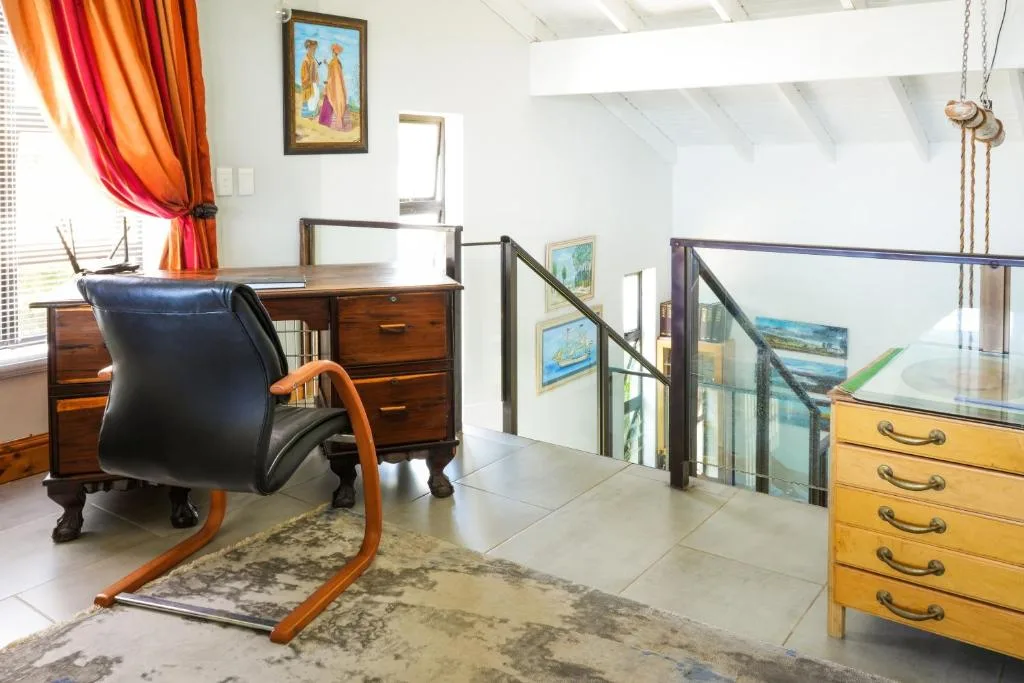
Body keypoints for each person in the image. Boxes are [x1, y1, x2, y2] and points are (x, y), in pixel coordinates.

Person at [317, 43, 352, 132]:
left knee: (330, 101)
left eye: (332, 51)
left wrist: (329, 83)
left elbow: (335, 77)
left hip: (334, 87)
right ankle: (325, 121)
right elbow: (331, 71)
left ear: (334, 52)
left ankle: (328, 122)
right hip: (332, 85)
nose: (331, 53)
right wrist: (326, 64)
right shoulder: (335, 61)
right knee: (327, 100)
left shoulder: (336, 62)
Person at [300, 39, 320, 119]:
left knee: (316, 95)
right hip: (309, 83)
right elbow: (305, 75)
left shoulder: (312, 59)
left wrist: (316, 77)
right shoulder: (306, 61)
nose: (314, 51)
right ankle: (308, 114)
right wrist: (310, 79)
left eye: (315, 49)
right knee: (311, 97)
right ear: (308, 49)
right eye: (313, 49)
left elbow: (315, 71)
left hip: (314, 82)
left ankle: (313, 113)